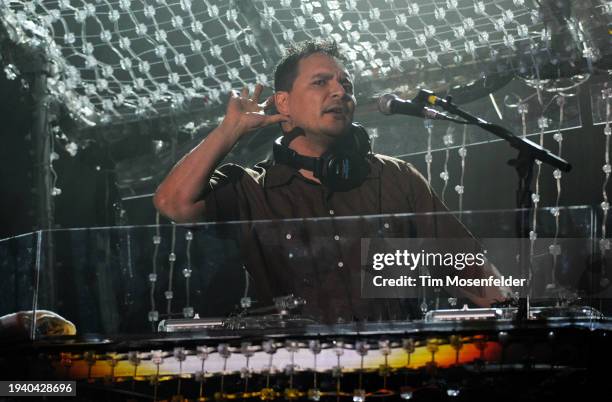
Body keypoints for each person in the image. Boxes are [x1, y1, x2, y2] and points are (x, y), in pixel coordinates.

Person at [154, 40, 508, 323]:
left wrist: (515, 317)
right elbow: (173, 204)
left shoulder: (395, 177)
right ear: (283, 103)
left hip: (397, 365)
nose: (340, 92)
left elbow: (472, 273)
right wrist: (229, 131)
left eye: (346, 84)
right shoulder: (252, 187)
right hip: (299, 372)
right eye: (321, 82)